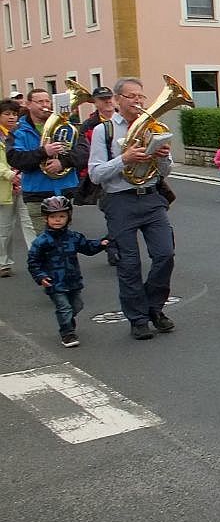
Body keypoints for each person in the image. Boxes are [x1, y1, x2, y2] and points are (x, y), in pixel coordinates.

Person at [87, 77, 177, 341]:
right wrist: (123, 159)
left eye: (141, 96)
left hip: (150, 197)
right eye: (131, 96)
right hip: (120, 200)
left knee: (165, 254)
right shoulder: (105, 131)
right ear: (117, 100)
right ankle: (138, 319)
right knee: (128, 263)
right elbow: (95, 174)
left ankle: (154, 307)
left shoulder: (154, 127)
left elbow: (165, 171)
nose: (138, 101)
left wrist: (162, 158)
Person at [26, 196, 108, 348]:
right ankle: (67, 333)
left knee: (77, 305)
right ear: (46, 219)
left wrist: (101, 244)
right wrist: (41, 276)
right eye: (53, 217)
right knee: (64, 307)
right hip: (54, 282)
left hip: (73, 279)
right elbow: (33, 262)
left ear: (68, 217)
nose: (57, 220)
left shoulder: (74, 237)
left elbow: (87, 247)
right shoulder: (42, 241)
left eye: (62, 216)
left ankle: (68, 320)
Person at [6, 88, 87, 235]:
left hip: (64, 190)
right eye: (40, 101)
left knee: (64, 238)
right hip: (37, 193)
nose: (45, 105)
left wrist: (62, 163)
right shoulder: (18, 130)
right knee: (44, 241)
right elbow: (15, 159)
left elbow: (83, 152)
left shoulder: (67, 127)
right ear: (28, 104)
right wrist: (44, 152)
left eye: (47, 101)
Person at [1, 99, 37, 277]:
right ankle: (3, 263)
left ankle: (36, 258)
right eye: (7, 114)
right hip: (4, 187)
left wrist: (21, 174)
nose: (11, 117)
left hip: (24, 182)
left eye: (14, 114)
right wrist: (10, 176)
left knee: (29, 223)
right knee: (4, 228)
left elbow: (26, 154)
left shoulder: (20, 132)